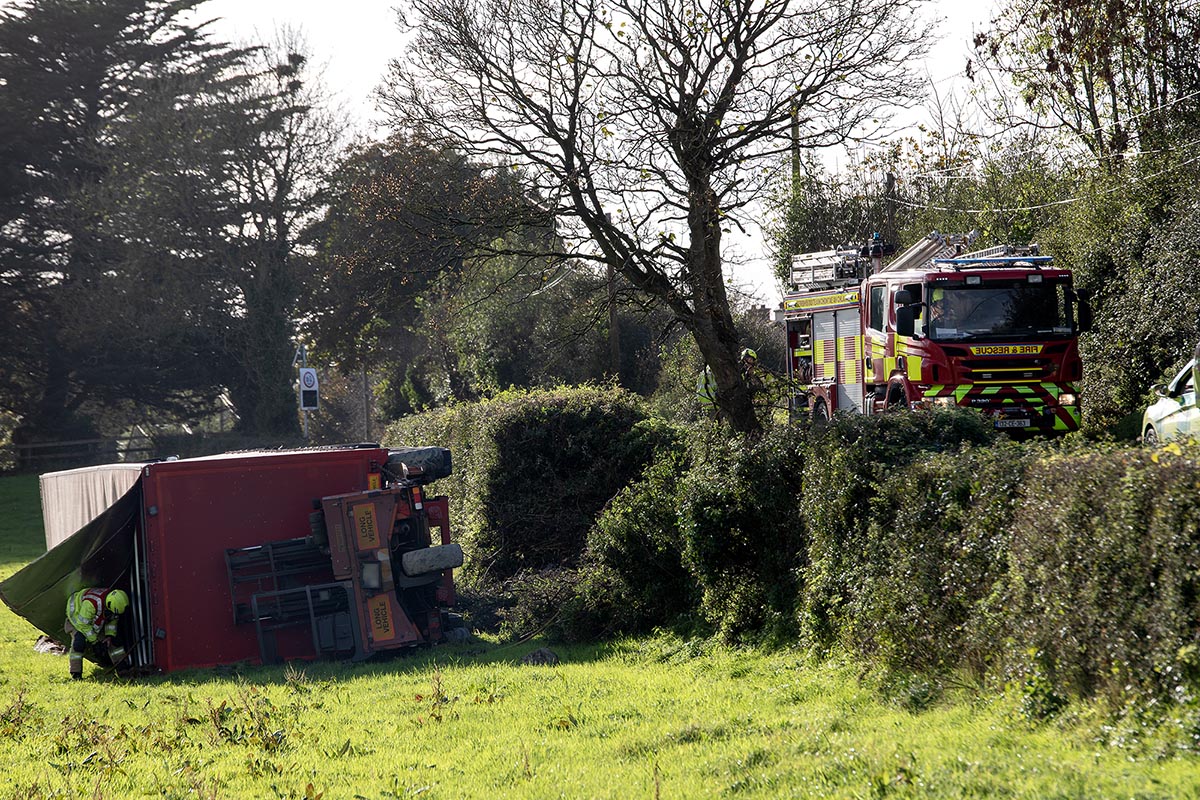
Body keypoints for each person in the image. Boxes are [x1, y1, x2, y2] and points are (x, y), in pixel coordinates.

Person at [64, 587, 129, 680]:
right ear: (108, 606)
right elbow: (82, 624)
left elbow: (112, 621)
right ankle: (76, 674)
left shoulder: (112, 604)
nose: (113, 616)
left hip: (90, 619)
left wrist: (109, 636)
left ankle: (122, 668)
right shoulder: (91, 603)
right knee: (79, 642)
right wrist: (95, 642)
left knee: (114, 641)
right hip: (77, 616)